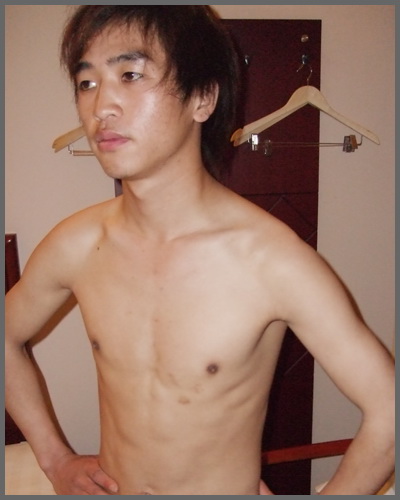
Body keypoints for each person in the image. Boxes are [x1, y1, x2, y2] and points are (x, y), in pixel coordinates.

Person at [5, 5, 394, 496]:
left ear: (203, 98)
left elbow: (389, 410)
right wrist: (55, 459)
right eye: (87, 83)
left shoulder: (270, 259)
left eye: (130, 75)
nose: (101, 105)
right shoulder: (77, 243)